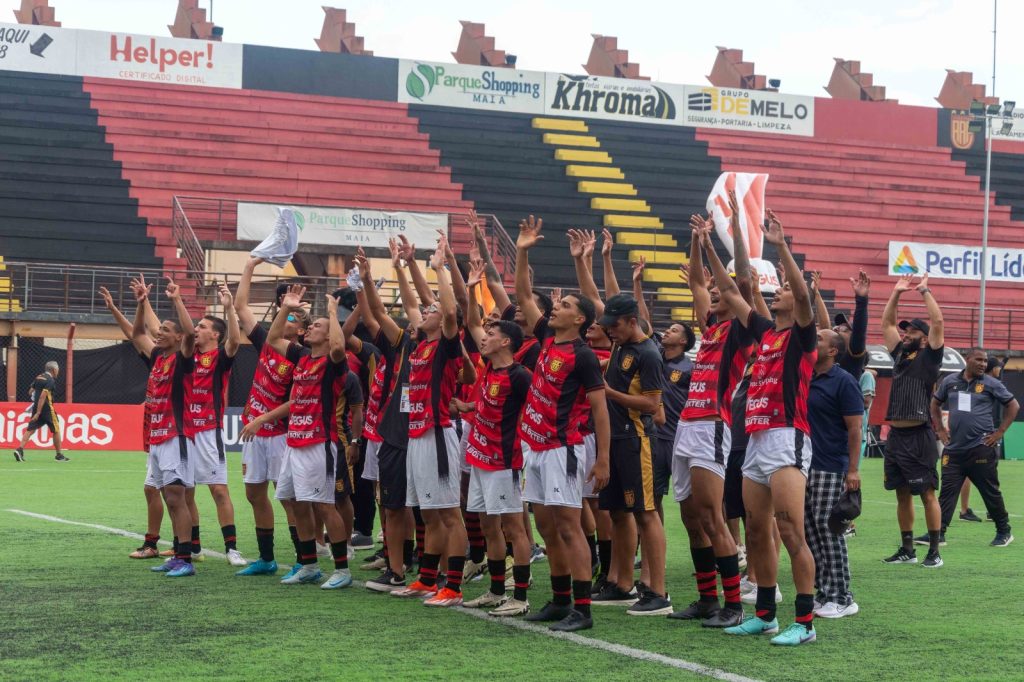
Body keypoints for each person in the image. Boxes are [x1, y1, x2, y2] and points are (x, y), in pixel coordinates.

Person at [702, 210, 819, 647]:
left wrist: (781, 246)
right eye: (781, 288)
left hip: (788, 437)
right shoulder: (767, 332)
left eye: (786, 289)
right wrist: (711, 245)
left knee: (790, 529)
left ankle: (805, 622)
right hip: (755, 438)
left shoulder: (802, 335)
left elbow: (803, 295)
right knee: (755, 529)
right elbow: (732, 291)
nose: (783, 291)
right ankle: (765, 614)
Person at [516, 214, 610, 632]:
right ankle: (559, 600)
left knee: (569, 526)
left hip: (563, 448)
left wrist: (602, 459)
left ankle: (583, 609)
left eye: (567, 306)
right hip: (535, 447)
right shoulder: (545, 338)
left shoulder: (584, 356)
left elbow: (600, 410)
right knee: (545, 525)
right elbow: (523, 295)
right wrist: (521, 252)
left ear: (580, 321)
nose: (557, 307)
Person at [667, 203, 755, 628]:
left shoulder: (740, 331)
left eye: (723, 293)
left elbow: (738, 283)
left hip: (712, 427)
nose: (715, 295)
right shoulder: (711, 327)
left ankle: (733, 604)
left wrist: (717, 243)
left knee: (711, 515)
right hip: (687, 425)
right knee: (690, 517)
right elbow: (698, 283)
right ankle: (706, 598)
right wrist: (696, 240)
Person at [269, 285, 352, 589]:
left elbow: (339, 347)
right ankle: (309, 566)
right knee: (296, 503)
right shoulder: (302, 357)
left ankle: (342, 569)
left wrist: (332, 312)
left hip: (319, 443)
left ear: (329, 336)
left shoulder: (333, 362)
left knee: (324, 505)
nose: (310, 327)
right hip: (294, 442)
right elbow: (273, 339)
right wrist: (286, 307)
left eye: (317, 325)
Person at [460, 278, 534, 615]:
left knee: (514, 528)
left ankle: (520, 596)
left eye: (491, 334)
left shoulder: (520, 376)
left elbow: (535, 409)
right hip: (478, 458)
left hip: (503, 462)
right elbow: (471, 322)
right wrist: (470, 289)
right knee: (488, 525)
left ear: (505, 342)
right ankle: (495, 590)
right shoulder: (490, 366)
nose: (484, 337)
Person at [234, 257, 308, 577]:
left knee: (288, 498)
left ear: (302, 330)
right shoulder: (266, 343)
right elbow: (240, 307)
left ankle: (304, 561)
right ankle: (267, 559)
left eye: (292, 316)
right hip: (255, 434)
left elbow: (297, 402)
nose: (285, 317)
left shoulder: (302, 358)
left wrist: (262, 419)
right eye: (284, 313)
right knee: (254, 494)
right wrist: (250, 267)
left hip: (279, 435)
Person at [596, 293, 669, 616]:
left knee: (645, 513)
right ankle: (621, 583)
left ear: (631, 321)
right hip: (614, 439)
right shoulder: (620, 345)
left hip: (636, 440)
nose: (609, 331)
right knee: (617, 513)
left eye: (614, 325)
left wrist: (610, 393)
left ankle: (658, 592)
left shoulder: (648, 353)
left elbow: (653, 405)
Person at [132, 276, 199, 578]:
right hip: (158, 437)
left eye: (166, 331)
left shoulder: (184, 358)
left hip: (176, 436)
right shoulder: (158, 357)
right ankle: (178, 555)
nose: (159, 333)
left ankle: (185, 559)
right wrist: (141, 304)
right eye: (160, 330)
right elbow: (137, 333)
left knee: (176, 496)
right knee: (169, 498)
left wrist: (177, 299)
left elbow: (190, 332)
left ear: (178, 337)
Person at [879, 273, 945, 568]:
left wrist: (924, 291)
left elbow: (938, 322)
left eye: (912, 332)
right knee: (901, 493)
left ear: (924, 337)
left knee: (927, 494)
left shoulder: (930, 356)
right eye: (905, 331)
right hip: (896, 436)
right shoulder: (899, 356)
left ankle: (934, 551)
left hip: (919, 435)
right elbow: (887, 324)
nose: (905, 334)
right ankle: (908, 549)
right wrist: (896, 292)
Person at [185, 282, 247, 568]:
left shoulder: (220, 357)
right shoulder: (186, 357)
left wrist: (229, 308)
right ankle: (193, 546)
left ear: (215, 334)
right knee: (185, 491)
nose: (196, 329)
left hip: (208, 432)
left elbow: (234, 341)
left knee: (219, 491)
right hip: (183, 433)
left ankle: (231, 548)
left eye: (202, 326)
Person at [928, 348, 1017, 547]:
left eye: (985, 361)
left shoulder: (991, 383)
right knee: (947, 493)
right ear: (967, 359)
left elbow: (1013, 406)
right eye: (979, 360)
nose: (983, 364)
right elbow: (934, 404)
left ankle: (1004, 531)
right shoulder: (950, 381)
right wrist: (940, 429)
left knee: (989, 491)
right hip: (954, 449)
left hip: (981, 447)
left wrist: (999, 432)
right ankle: (938, 533)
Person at [805, 330, 863, 619]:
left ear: (832, 351)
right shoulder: (806, 377)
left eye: (819, 338)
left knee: (829, 530)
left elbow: (855, 428)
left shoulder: (844, 381)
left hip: (830, 465)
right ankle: (824, 592)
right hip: (804, 463)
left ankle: (842, 596)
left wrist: (852, 469)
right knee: (810, 531)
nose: (812, 340)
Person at [13, 360, 68, 462]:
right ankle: (59, 455)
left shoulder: (39, 377)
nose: (58, 371)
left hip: (36, 407)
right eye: (57, 369)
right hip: (47, 409)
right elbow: (43, 396)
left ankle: (19, 449)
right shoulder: (50, 380)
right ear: (53, 369)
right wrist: (39, 412)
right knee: (56, 430)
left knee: (31, 429)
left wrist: (36, 408)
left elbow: (30, 392)